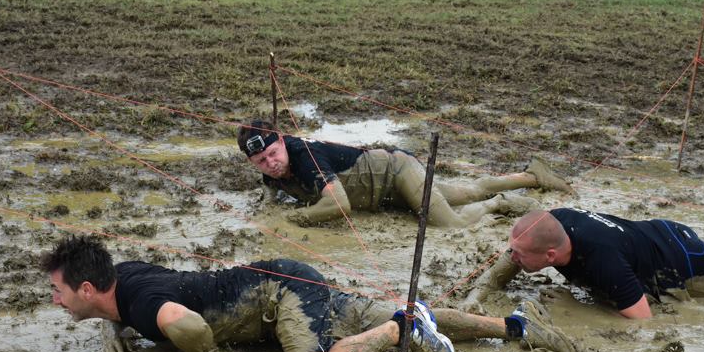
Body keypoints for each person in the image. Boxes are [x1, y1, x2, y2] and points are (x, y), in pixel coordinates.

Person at [42, 237, 581, 352]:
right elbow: (129, 302)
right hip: (285, 278)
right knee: (370, 311)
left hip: (281, 294)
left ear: (88, 287)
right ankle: (516, 326)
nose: (55, 301)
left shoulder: (141, 304)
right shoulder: (121, 279)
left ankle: (401, 331)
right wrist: (114, 328)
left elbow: (189, 326)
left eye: (58, 291)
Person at [237, 120, 576, 227]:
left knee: (449, 224)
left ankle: (499, 202)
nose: (271, 163)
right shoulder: (271, 170)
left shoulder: (304, 155)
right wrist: (266, 205)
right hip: (385, 192)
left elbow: (339, 205)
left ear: (282, 140)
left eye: (273, 153)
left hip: (397, 170)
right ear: (252, 162)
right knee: (466, 192)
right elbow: (271, 189)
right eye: (262, 161)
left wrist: (293, 219)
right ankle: (532, 176)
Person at [462, 208, 704, 319]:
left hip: (686, 257)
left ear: (551, 256)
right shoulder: (552, 223)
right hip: (650, 234)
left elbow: (643, 319)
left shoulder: (604, 260)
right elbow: (502, 268)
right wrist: (474, 298)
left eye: (518, 253)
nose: (512, 257)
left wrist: (577, 307)